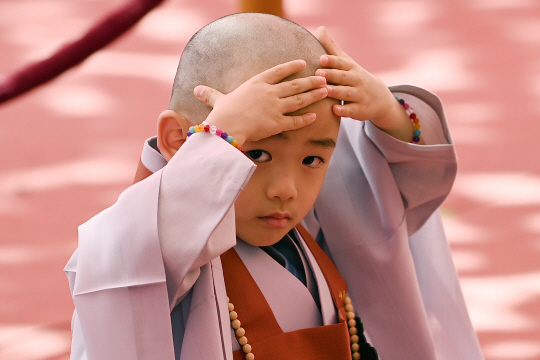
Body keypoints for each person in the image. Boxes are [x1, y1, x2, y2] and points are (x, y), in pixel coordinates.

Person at [65, 13, 484, 360]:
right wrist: (221, 136)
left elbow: (398, 182)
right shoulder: (145, 243)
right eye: (256, 154)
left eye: (312, 160)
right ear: (179, 141)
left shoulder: (321, 214)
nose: (286, 189)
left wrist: (390, 112)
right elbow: (131, 248)